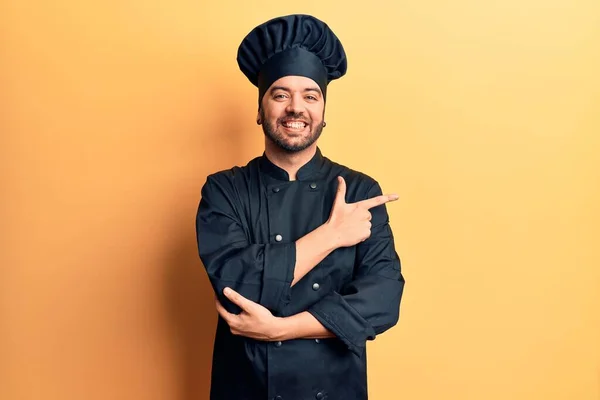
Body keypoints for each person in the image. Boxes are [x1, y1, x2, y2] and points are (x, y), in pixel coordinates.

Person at [195, 14, 405, 400]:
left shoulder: (360, 190)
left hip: (335, 388)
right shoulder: (224, 190)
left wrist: (280, 330)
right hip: (246, 387)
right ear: (260, 110)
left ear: (323, 113)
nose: (296, 107)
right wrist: (331, 236)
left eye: (310, 95)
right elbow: (236, 287)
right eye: (280, 94)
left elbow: (383, 298)